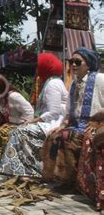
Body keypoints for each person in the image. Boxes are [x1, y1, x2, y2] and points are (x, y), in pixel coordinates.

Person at [42, 48, 104, 190]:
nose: (73, 65)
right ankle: (62, 178)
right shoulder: (74, 84)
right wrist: (63, 124)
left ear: (88, 64)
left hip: (96, 125)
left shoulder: (100, 79)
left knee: (67, 137)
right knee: (54, 135)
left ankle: (74, 182)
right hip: (77, 125)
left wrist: (98, 122)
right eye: (71, 62)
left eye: (77, 62)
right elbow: (70, 112)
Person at [0, 53, 68, 178]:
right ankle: (21, 169)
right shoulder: (51, 82)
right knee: (19, 130)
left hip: (55, 122)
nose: (37, 70)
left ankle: (31, 170)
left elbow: (54, 111)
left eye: (39, 66)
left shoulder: (53, 84)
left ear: (45, 67)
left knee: (20, 131)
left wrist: (33, 121)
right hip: (51, 120)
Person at [0, 75, 34, 168]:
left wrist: (24, 126)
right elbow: (3, 114)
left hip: (20, 125)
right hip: (9, 124)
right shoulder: (2, 98)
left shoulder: (14, 96)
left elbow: (29, 111)